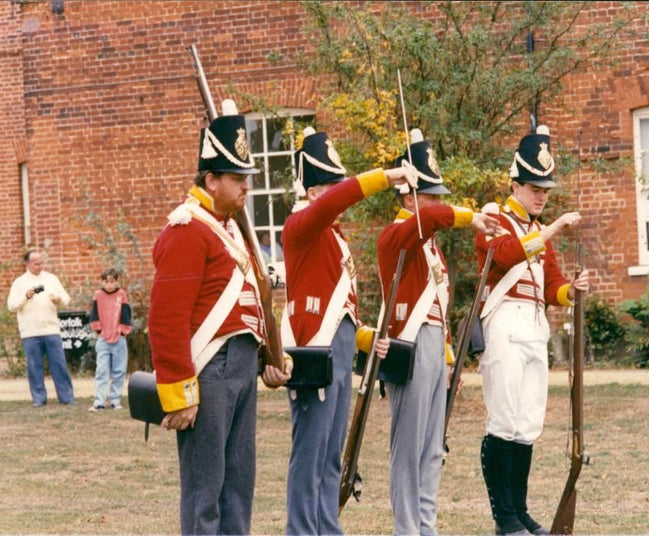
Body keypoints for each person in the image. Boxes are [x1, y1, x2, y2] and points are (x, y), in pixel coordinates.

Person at [147, 99, 291, 535]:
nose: (247, 186)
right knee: (204, 493)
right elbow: (167, 318)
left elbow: (247, 303)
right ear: (211, 179)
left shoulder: (227, 227)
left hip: (240, 364)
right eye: (237, 178)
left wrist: (268, 357)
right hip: (208, 369)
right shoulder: (187, 228)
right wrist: (179, 392)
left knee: (237, 488)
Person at [280, 126, 416, 536]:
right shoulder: (301, 225)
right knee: (310, 453)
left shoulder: (333, 237)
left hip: (336, 350)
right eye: (330, 186)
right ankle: (302, 530)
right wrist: (386, 176)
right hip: (313, 351)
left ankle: (327, 526)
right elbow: (337, 201)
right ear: (312, 191)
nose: (338, 195)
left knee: (330, 455)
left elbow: (341, 311)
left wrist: (366, 338)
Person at [377, 129, 499, 536]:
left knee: (432, 448)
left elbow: (440, 307)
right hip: (408, 345)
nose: (436, 202)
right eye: (429, 195)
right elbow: (430, 219)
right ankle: (407, 528)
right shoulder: (396, 235)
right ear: (409, 198)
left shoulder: (429, 244)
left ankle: (425, 526)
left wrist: (448, 359)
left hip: (432, 346)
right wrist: (468, 217)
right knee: (408, 449)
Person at [475, 125, 589, 536]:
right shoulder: (494, 217)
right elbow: (504, 255)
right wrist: (553, 228)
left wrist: (570, 291)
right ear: (515, 185)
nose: (542, 196)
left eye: (545, 190)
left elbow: (552, 283)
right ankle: (504, 516)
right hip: (504, 324)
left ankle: (519, 511)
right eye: (535, 188)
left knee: (526, 424)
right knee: (503, 421)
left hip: (534, 328)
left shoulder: (538, 231)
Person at [7, 250, 76, 407]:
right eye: (36, 264)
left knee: (59, 364)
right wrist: (26, 296)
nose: (40, 266)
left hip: (51, 329)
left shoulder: (51, 279)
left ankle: (66, 397)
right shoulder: (19, 282)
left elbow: (66, 299)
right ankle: (39, 398)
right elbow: (11, 306)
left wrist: (59, 299)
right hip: (30, 332)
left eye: (41, 263)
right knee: (34, 366)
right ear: (27, 264)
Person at [88, 267, 132, 411]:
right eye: (106, 282)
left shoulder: (121, 294)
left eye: (112, 282)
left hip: (119, 339)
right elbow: (94, 314)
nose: (109, 285)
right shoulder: (98, 295)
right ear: (101, 282)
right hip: (103, 339)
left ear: (117, 282)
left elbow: (126, 313)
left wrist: (123, 331)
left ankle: (115, 400)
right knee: (102, 370)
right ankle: (99, 400)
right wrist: (98, 329)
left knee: (119, 371)